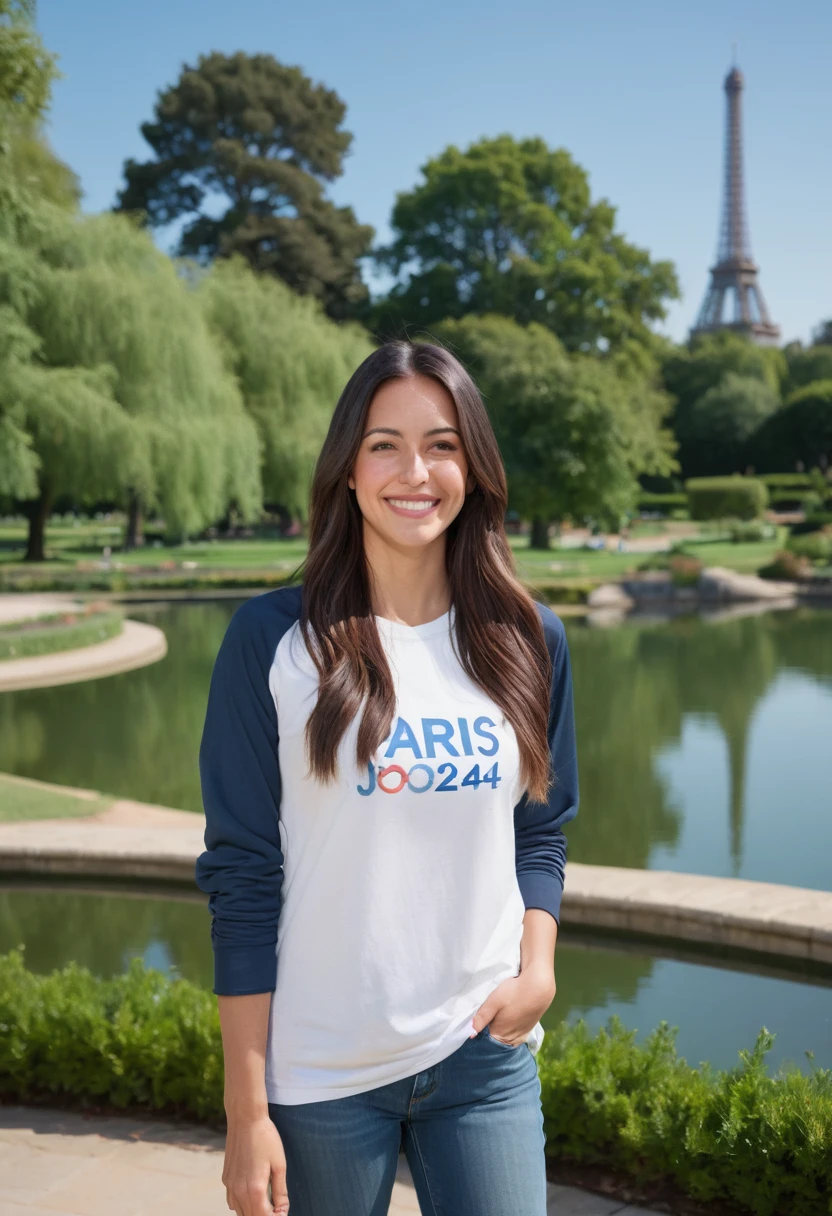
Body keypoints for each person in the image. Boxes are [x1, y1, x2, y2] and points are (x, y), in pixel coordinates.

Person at [195, 340, 580, 1216]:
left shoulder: (529, 639)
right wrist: (246, 1110)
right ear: (348, 468)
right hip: (323, 1074)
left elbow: (541, 827)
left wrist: (540, 967)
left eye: (443, 444)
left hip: (484, 1056)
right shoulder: (272, 643)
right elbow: (243, 878)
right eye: (385, 444)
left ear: (474, 467)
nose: (417, 471)